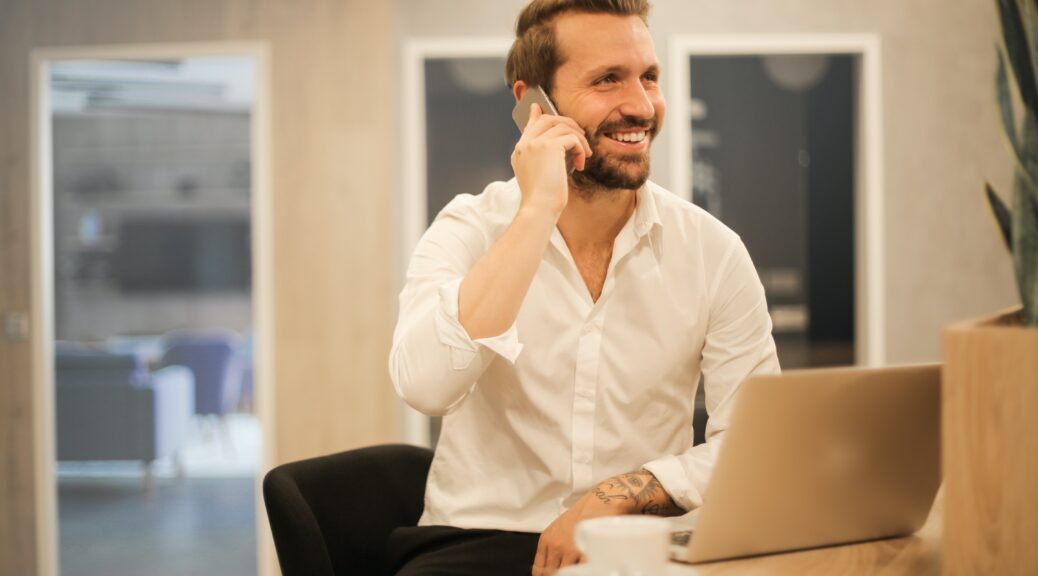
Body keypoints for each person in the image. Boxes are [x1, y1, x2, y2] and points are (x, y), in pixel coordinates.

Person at [388, 1, 780, 574]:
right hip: (476, 542)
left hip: (636, 543)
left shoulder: (713, 252)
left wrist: (619, 493)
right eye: (607, 80)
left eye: (649, 77)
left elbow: (753, 447)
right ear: (532, 103)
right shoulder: (470, 228)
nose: (641, 106)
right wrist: (538, 211)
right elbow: (425, 386)